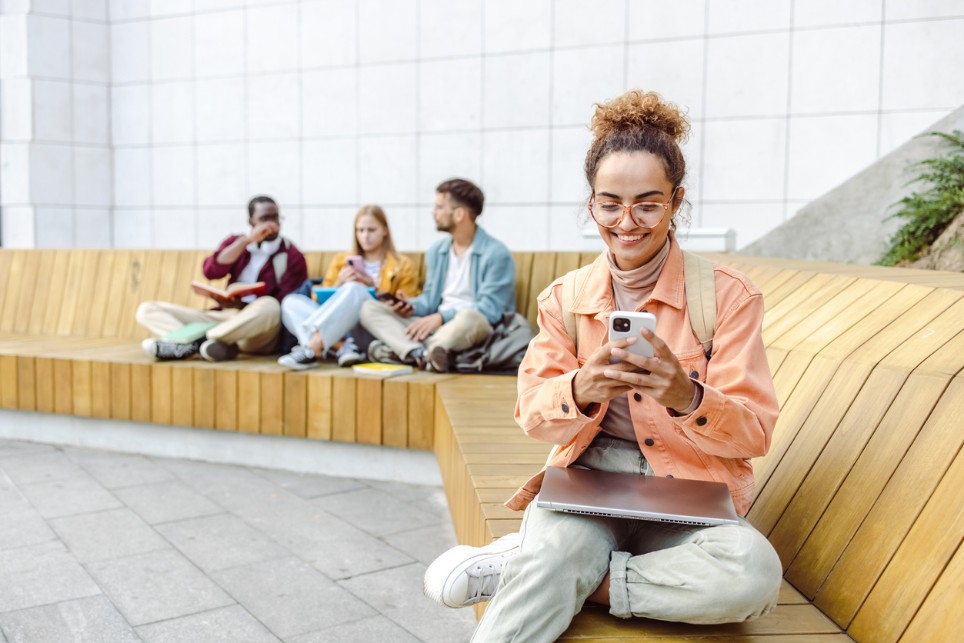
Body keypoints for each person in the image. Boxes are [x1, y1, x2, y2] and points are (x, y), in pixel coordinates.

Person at [422, 90, 783, 640]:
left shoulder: (727, 298)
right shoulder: (565, 299)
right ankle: (548, 566)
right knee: (551, 565)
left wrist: (686, 396)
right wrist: (582, 386)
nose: (627, 221)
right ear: (591, 203)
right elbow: (533, 417)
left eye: (648, 202)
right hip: (587, 482)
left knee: (753, 574)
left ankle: (549, 572)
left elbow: (754, 433)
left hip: (688, 485)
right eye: (609, 203)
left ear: (676, 201)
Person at [359, 179, 516, 372]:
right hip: (435, 327)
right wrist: (411, 305)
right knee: (369, 308)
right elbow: (429, 300)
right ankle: (424, 354)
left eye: (440, 207)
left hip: (468, 329)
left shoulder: (495, 253)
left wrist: (442, 317)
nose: (434, 212)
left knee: (470, 318)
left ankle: (402, 351)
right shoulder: (437, 251)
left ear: (459, 214)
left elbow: (490, 310)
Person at [137, 196, 307, 362]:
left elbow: (287, 304)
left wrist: (241, 305)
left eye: (275, 217)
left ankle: (192, 341)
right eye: (264, 219)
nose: (271, 224)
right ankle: (213, 344)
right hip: (224, 318)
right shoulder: (236, 243)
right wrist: (247, 241)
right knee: (147, 310)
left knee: (270, 306)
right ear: (251, 221)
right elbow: (211, 271)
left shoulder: (291, 255)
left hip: (257, 329)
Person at [277, 204, 418, 370]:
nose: (365, 236)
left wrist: (372, 288)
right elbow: (318, 300)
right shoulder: (341, 260)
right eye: (360, 230)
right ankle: (343, 347)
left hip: (369, 329)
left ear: (385, 231)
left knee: (355, 289)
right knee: (290, 302)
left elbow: (408, 308)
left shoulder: (403, 265)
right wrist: (339, 283)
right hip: (338, 327)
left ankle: (311, 348)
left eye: (371, 230)